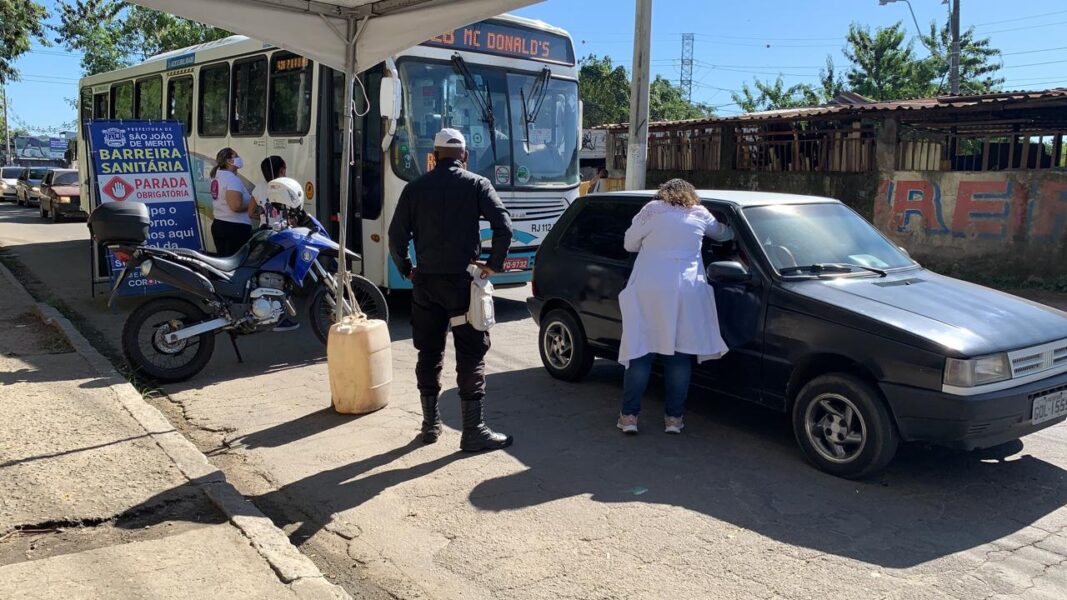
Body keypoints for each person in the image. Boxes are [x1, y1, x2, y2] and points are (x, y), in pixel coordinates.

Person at [388, 128, 514, 452]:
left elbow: (395, 237)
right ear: (464, 156)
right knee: (471, 353)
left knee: (428, 352)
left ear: (434, 156)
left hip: (426, 284)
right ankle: (473, 431)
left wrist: (407, 269)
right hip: (463, 283)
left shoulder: (415, 188)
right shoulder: (476, 184)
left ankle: (430, 425)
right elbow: (504, 226)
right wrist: (492, 265)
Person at [616, 178, 733, 435]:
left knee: (641, 352)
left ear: (663, 193)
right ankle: (674, 420)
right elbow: (724, 233)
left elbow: (629, 243)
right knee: (678, 356)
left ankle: (629, 418)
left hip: (650, 289)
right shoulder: (699, 213)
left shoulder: (652, 210)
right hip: (686, 291)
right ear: (691, 194)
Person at [209, 147, 252, 256]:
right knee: (234, 264)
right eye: (236, 156)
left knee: (223, 262)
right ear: (229, 161)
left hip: (219, 224)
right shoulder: (232, 179)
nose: (239, 158)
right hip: (234, 228)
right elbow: (236, 206)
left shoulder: (217, 177)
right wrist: (252, 205)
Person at [249, 155, 287, 229]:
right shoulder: (287, 187)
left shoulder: (259, 188)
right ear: (281, 170)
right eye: (285, 169)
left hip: (265, 231)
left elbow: (250, 213)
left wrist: (266, 219)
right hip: (283, 232)